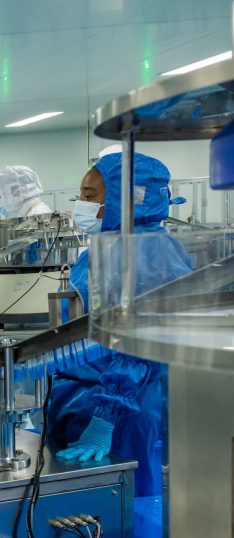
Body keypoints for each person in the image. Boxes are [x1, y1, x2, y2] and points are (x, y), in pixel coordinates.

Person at [49, 152, 192, 498]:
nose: (80, 205)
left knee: (121, 506)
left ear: (126, 199)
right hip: (84, 391)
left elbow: (138, 343)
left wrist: (106, 416)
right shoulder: (104, 246)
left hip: (122, 404)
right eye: (80, 195)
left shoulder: (150, 252)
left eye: (90, 195)